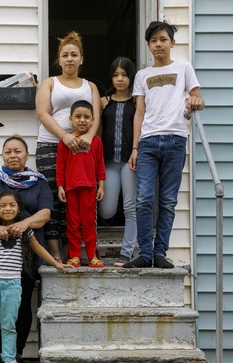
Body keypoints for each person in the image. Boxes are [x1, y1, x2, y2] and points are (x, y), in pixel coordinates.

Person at [124, 21, 205, 269]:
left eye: (163, 39)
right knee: (144, 199)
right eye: (154, 41)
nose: (158, 44)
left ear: (172, 42)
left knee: (168, 200)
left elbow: (199, 98)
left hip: (175, 140)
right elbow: (139, 112)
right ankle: (145, 253)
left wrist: (195, 101)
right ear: (148, 45)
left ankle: (160, 253)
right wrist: (135, 148)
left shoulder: (184, 68)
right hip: (148, 142)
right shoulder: (142, 75)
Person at [0, 135, 53, 363]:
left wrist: (26, 222)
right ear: (3, 155)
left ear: (27, 155)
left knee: (20, 305)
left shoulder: (39, 182)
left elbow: (46, 213)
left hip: (26, 254)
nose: (13, 155)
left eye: (18, 151)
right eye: (8, 151)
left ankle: (14, 355)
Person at [0, 190, 70, 363]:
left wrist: (56, 263)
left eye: (12, 205)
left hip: (13, 284)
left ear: (19, 209)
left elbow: (38, 248)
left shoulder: (25, 231)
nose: (7, 209)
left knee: (9, 325)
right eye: (3, 206)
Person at [35, 31, 101, 263]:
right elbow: (43, 113)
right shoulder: (49, 83)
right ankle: (56, 253)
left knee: (76, 203)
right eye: (65, 55)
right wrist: (64, 136)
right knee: (54, 199)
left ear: (81, 59)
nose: (70, 59)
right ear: (59, 60)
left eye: (74, 54)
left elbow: (96, 118)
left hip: (81, 150)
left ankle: (74, 253)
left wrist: (88, 138)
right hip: (51, 146)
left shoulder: (90, 86)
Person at [98, 56, 138, 267]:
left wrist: (136, 150)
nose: (120, 79)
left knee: (131, 207)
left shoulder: (137, 101)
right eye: (116, 75)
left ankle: (126, 253)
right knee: (107, 210)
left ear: (131, 77)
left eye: (124, 75)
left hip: (129, 162)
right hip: (108, 162)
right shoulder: (104, 102)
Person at [56, 100, 106, 268]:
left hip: (89, 187)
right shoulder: (65, 142)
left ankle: (93, 255)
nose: (82, 120)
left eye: (86, 117)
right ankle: (74, 255)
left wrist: (101, 186)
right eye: (78, 117)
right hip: (70, 188)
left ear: (93, 120)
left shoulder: (96, 141)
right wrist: (60, 186)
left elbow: (100, 165)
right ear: (71, 119)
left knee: (89, 223)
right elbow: (61, 166)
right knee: (72, 223)